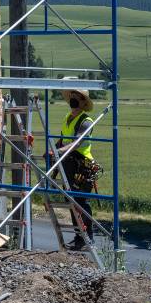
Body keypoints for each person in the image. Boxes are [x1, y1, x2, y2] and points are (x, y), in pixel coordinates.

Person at [56, 82, 99, 250]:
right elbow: (62, 139)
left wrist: (59, 151)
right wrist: (53, 150)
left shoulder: (86, 121)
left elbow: (76, 142)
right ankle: (79, 237)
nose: (74, 98)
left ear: (83, 102)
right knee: (72, 201)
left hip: (83, 165)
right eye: (72, 95)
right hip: (68, 162)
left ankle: (89, 238)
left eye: (78, 97)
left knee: (81, 201)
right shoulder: (67, 117)